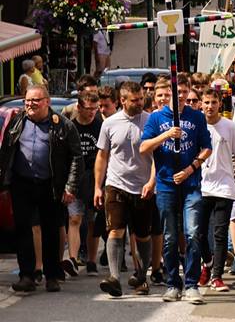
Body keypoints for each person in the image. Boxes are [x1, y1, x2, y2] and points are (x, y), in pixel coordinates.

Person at [0, 84, 83, 294]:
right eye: (27, 101)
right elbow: (5, 152)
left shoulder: (63, 125)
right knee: (23, 230)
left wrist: (70, 186)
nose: (30, 104)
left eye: (35, 101)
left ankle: (52, 276)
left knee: (50, 231)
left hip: (50, 184)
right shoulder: (16, 122)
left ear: (47, 102)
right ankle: (27, 276)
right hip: (22, 183)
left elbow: (76, 157)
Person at [140, 77, 212, 303]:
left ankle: (191, 284)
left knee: (192, 233)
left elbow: (207, 148)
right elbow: (143, 147)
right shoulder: (156, 117)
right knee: (170, 237)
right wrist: (165, 135)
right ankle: (173, 283)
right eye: (176, 91)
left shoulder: (197, 116)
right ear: (168, 93)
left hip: (191, 184)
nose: (180, 95)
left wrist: (191, 169)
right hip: (165, 184)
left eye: (183, 91)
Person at [94, 80, 155, 298]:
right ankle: (114, 278)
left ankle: (141, 274)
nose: (140, 103)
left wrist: (152, 182)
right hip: (116, 184)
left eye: (141, 99)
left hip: (143, 187)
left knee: (143, 235)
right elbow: (102, 156)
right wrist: (97, 187)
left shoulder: (151, 121)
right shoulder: (109, 124)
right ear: (123, 100)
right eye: (135, 100)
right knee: (115, 230)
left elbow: (158, 156)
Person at [198, 87, 235, 291]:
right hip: (201, 186)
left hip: (224, 186)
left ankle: (217, 276)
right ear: (201, 103)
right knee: (197, 232)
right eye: (206, 102)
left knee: (219, 233)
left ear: (219, 104)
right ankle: (207, 263)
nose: (210, 106)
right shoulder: (197, 125)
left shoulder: (230, 127)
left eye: (213, 102)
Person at [63, 91, 102, 277]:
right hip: (76, 179)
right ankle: (72, 258)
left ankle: (92, 260)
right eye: (88, 109)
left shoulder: (100, 125)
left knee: (93, 221)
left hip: (95, 179)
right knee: (74, 219)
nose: (92, 112)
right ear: (78, 107)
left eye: (95, 108)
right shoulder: (70, 127)